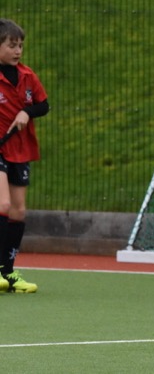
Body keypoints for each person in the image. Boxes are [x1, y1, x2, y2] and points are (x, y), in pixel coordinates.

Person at [0, 18, 50, 294]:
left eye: (20, 45)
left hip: (20, 150)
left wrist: (26, 112)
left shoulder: (28, 75)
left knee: (18, 211)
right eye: (11, 45)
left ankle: (7, 272)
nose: (17, 50)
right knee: (3, 204)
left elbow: (43, 105)